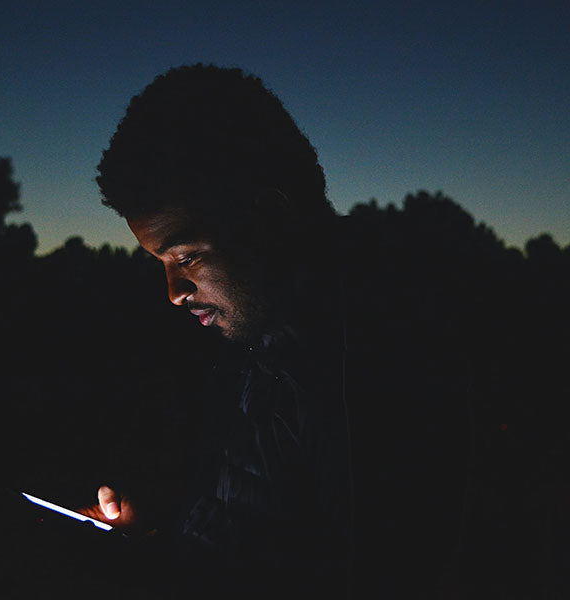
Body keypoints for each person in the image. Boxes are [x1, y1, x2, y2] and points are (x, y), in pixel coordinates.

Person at [81, 64, 354, 598]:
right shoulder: (251, 358)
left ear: (270, 218)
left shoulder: (367, 372)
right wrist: (151, 538)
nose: (174, 293)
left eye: (187, 256)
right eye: (161, 263)